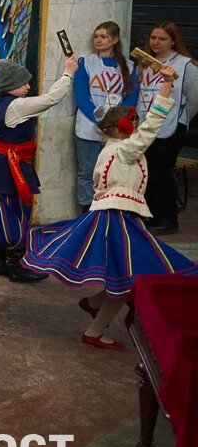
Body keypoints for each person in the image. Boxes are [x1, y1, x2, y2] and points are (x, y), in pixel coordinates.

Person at [23, 66, 197, 349]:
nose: (139, 130)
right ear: (125, 129)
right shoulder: (124, 149)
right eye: (136, 126)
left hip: (113, 215)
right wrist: (165, 86)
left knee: (122, 273)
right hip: (118, 217)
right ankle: (94, 330)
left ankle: (93, 302)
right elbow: (153, 127)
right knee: (126, 278)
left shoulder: (109, 150)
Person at [0, 57, 76, 281]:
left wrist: (1, 152)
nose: (29, 86)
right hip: (8, 170)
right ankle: (17, 266)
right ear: (11, 85)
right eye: (24, 83)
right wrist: (68, 74)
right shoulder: (18, 106)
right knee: (13, 216)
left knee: (6, 212)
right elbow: (51, 99)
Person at [137, 22, 197, 234]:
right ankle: (150, 214)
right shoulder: (143, 63)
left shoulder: (185, 64)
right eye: (153, 37)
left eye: (162, 38)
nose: (156, 42)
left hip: (172, 125)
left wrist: (181, 117)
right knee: (145, 170)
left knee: (160, 171)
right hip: (146, 124)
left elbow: (194, 98)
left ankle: (168, 218)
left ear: (173, 40)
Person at [72, 22, 135, 213]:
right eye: (96, 36)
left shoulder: (130, 66)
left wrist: (115, 124)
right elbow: (81, 97)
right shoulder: (86, 63)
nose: (98, 40)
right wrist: (102, 121)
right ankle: (87, 211)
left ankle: (109, 209)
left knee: (113, 172)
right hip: (89, 127)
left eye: (104, 36)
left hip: (116, 130)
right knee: (88, 172)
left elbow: (131, 98)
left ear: (115, 40)